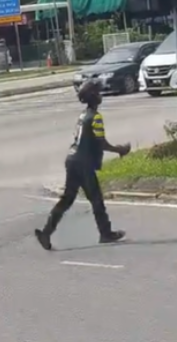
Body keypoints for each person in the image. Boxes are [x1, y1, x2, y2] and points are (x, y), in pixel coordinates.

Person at [35, 80, 130, 251]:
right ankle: (106, 233)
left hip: (72, 160)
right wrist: (120, 150)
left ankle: (46, 232)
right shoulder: (95, 117)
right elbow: (101, 143)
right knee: (96, 199)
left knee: (67, 199)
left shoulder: (82, 116)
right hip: (83, 163)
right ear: (94, 97)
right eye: (98, 93)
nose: (101, 95)